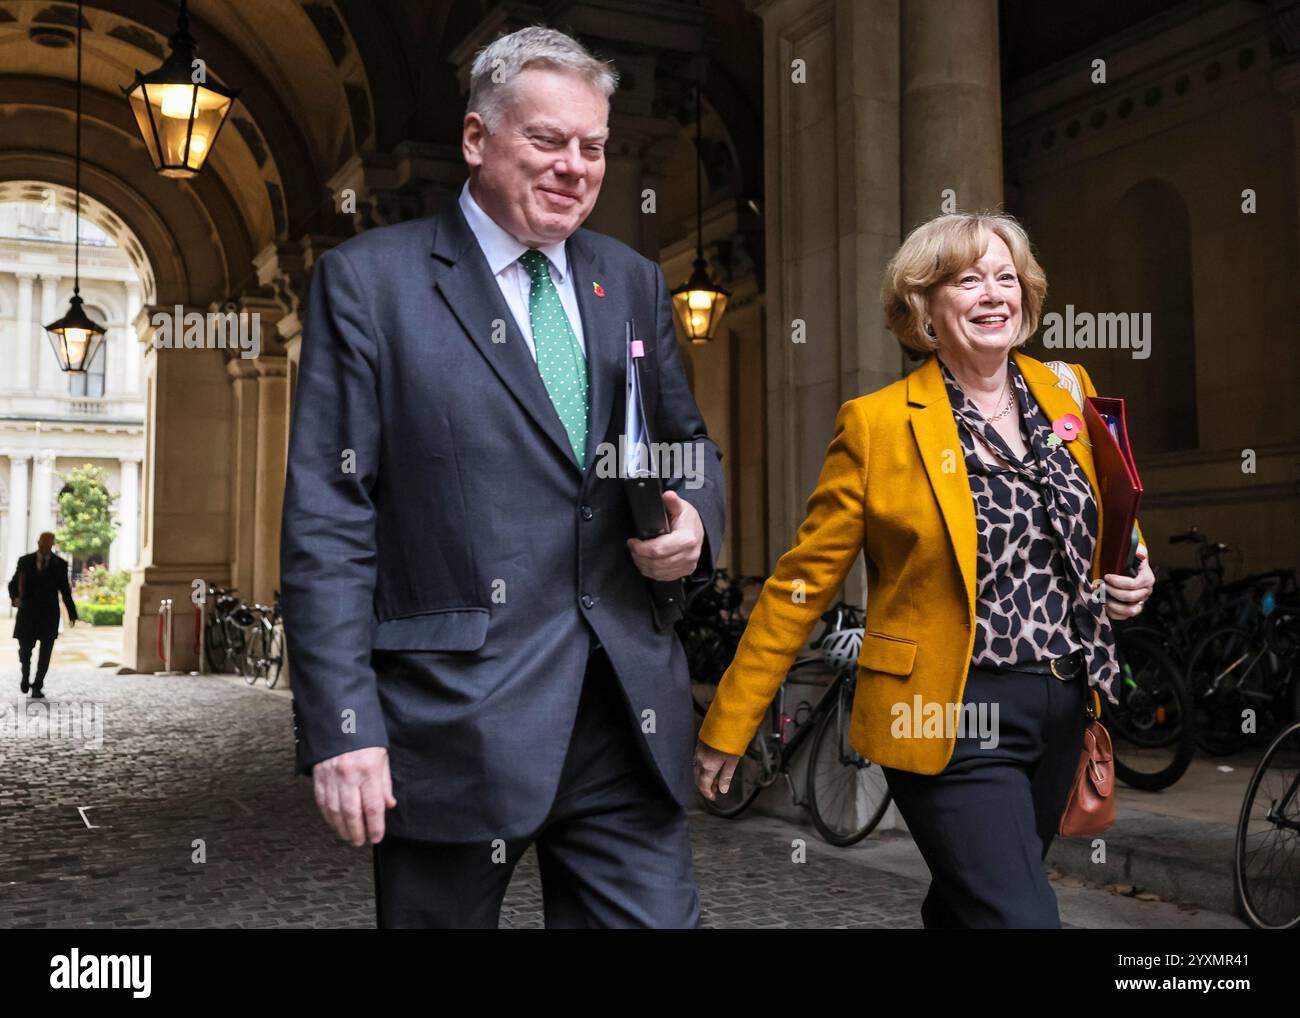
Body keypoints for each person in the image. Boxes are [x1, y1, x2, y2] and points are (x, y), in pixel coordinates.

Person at [280, 25, 725, 929]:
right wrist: (344, 726)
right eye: (547, 140)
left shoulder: (632, 280)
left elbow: (688, 449)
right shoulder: (370, 284)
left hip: (622, 714)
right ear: (478, 139)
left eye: (594, 146)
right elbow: (330, 515)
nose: (576, 166)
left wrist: (697, 522)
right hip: (450, 721)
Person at [694, 211, 1155, 928]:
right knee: (1019, 918)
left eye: (1007, 278)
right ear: (924, 306)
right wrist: (732, 720)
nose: (994, 293)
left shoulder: (1067, 391)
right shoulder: (878, 424)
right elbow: (800, 584)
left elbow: (1107, 523)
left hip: (1062, 705)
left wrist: (1135, 570)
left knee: (974, 906)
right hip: (947, 711)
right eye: (968, 280)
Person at [8, 531, 78, 699]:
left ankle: (37, 685)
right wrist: (15, 598)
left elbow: (65, 591)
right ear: (38, 542)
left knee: (45, 654)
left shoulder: (60, 564)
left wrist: (72, 613)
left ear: (52, 544)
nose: (45, 546)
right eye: (42, 543)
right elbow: (13, 583)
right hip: (27, 614)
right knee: (25, 651)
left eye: (48, 544)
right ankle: (25, 677)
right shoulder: (24, 561)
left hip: (49, 616)